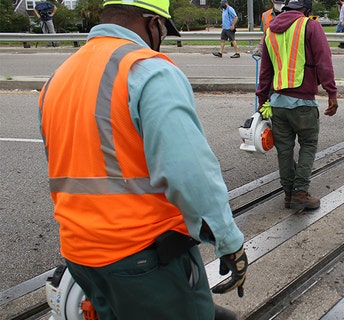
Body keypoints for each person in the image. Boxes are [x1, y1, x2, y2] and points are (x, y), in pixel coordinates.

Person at [37, 0, 247, 318]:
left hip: (80, 257)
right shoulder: (147, 69)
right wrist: (228, 241)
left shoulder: (58, 78)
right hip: (143, 258)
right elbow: (190, 173)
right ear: (151, 23)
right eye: (161, 30)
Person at [256, 0, 339, 213]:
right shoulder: (310, 26)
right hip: (303, 101)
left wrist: (262, 99)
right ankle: (300, 192)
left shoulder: (270, 31)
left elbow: (265, 71)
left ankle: (288, 193)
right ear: (306, 10)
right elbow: (323, 61)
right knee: (308, 143)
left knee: (284, 149)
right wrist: (331, 92)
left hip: (278, 103)